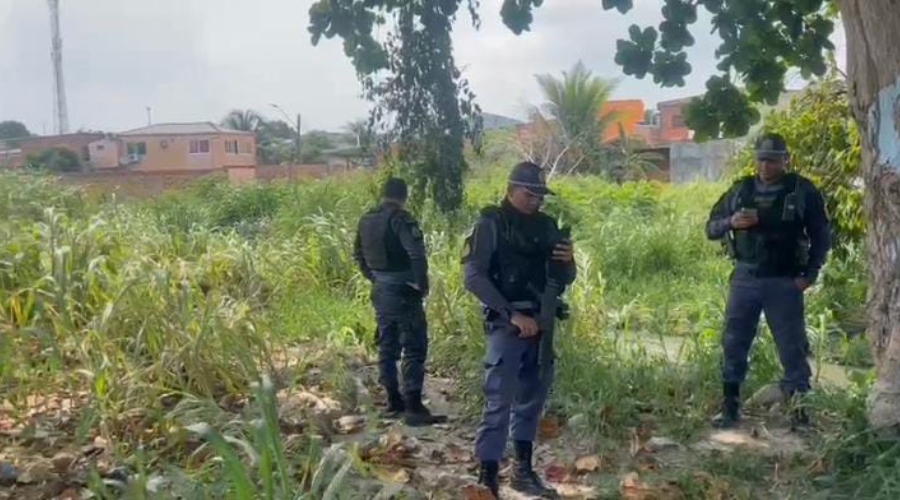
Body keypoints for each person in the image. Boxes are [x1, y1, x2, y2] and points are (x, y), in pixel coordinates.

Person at [462, 161, 576, 498]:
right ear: (511, 189)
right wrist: (511, 314)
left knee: (532, 401)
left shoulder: (547, 226)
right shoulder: (491, 224)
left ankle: (523, 471)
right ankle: (488, 476)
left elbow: (565, 279)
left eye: (541, 194)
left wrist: (569, 260)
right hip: (507, 325)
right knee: (499, 401)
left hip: (542, 323)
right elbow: (474, 277)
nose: (536, 200)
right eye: (530, 193)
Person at [705, 132, 831, 429]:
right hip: (745, 277)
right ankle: (731, 410)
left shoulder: (801, 190)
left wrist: (809, 276)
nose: (766, 165)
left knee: (792, 348)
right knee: (734, 343)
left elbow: (822, 236)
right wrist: (731, 222)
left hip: (784, 282)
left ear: (785, 160)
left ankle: (801, 415)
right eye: (761, 159)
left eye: (773, 160)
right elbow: (710, 227)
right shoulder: (741, 191)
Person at [353, 177, 445, 427]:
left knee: (387, 344)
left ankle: (393, 401)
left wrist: (375, 278)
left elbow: (358, 255)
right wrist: (421, 285)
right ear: (404, 196)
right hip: (403, 290)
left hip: (381, 290)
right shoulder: (402, 219)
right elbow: (416, 253)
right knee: (414, 346)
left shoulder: (367, 220)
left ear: (384, 194)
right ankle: (413, 406)